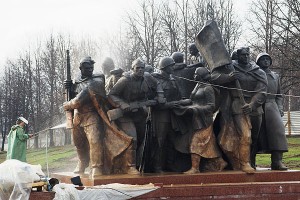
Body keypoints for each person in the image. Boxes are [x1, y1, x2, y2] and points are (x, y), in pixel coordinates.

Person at [211, 47, 267, 173]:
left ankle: (251, 160)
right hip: (238, 105)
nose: (246, 57)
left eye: (248, 54)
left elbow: (262, 91)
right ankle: (244, 163)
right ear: (238, 56)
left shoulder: (258, 71)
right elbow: (213, 77)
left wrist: (252, 104)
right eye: (243, 55)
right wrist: (227, 78)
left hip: (255, 108)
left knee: (254, 138)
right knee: (245, 135)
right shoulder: (231, 67)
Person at [108, 58, 165, 174]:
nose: (140, 70)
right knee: (132, 139)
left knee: (141, 139)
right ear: (132, 69)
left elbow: (157, 84)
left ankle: (137, 164)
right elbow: (112, 94)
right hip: (126, 114)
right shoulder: (125, 80)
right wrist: (123, 104)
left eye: (142, 68)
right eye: (137, 68)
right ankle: (130, 166)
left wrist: (160, 95)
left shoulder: (147, 76)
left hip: (139, 113)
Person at [172, 67, 227, 174]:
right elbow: (192, 100)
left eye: (196, 74)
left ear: (201, 75)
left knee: (196, 143)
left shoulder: (208, 88)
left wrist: (195, 109)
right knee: (209, 144)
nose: (194, 76)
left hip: (204, 121)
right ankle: (220, 162)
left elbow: (211, 106)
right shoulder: (198, 85)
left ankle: (195, 168)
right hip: (196, 119)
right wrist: (180, 103)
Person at [63, 56, 106, 178]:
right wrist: (69, 88)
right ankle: (83, 162)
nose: (90, 70)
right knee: (78, 143)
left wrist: (68, 105)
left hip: (92, 115)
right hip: (78, 116)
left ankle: (96, 166)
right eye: (87, 68)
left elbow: (77, 101)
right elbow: (74, 95)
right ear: (81, 68)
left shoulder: (96, 81)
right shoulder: (77, 81)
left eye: (92, 68)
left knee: (94, 141)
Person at [256, 52, 288, 170]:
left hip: (272, 105)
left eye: (267, 59)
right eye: (263, 59)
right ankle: (251, 161)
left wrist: (280, 108)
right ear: (258, 62)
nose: (265, 61)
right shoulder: (255, 73)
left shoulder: (275, 76)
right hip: (258, 105)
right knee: (256, 134)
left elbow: (279, 95)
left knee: (278, 133)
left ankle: (277, 161)